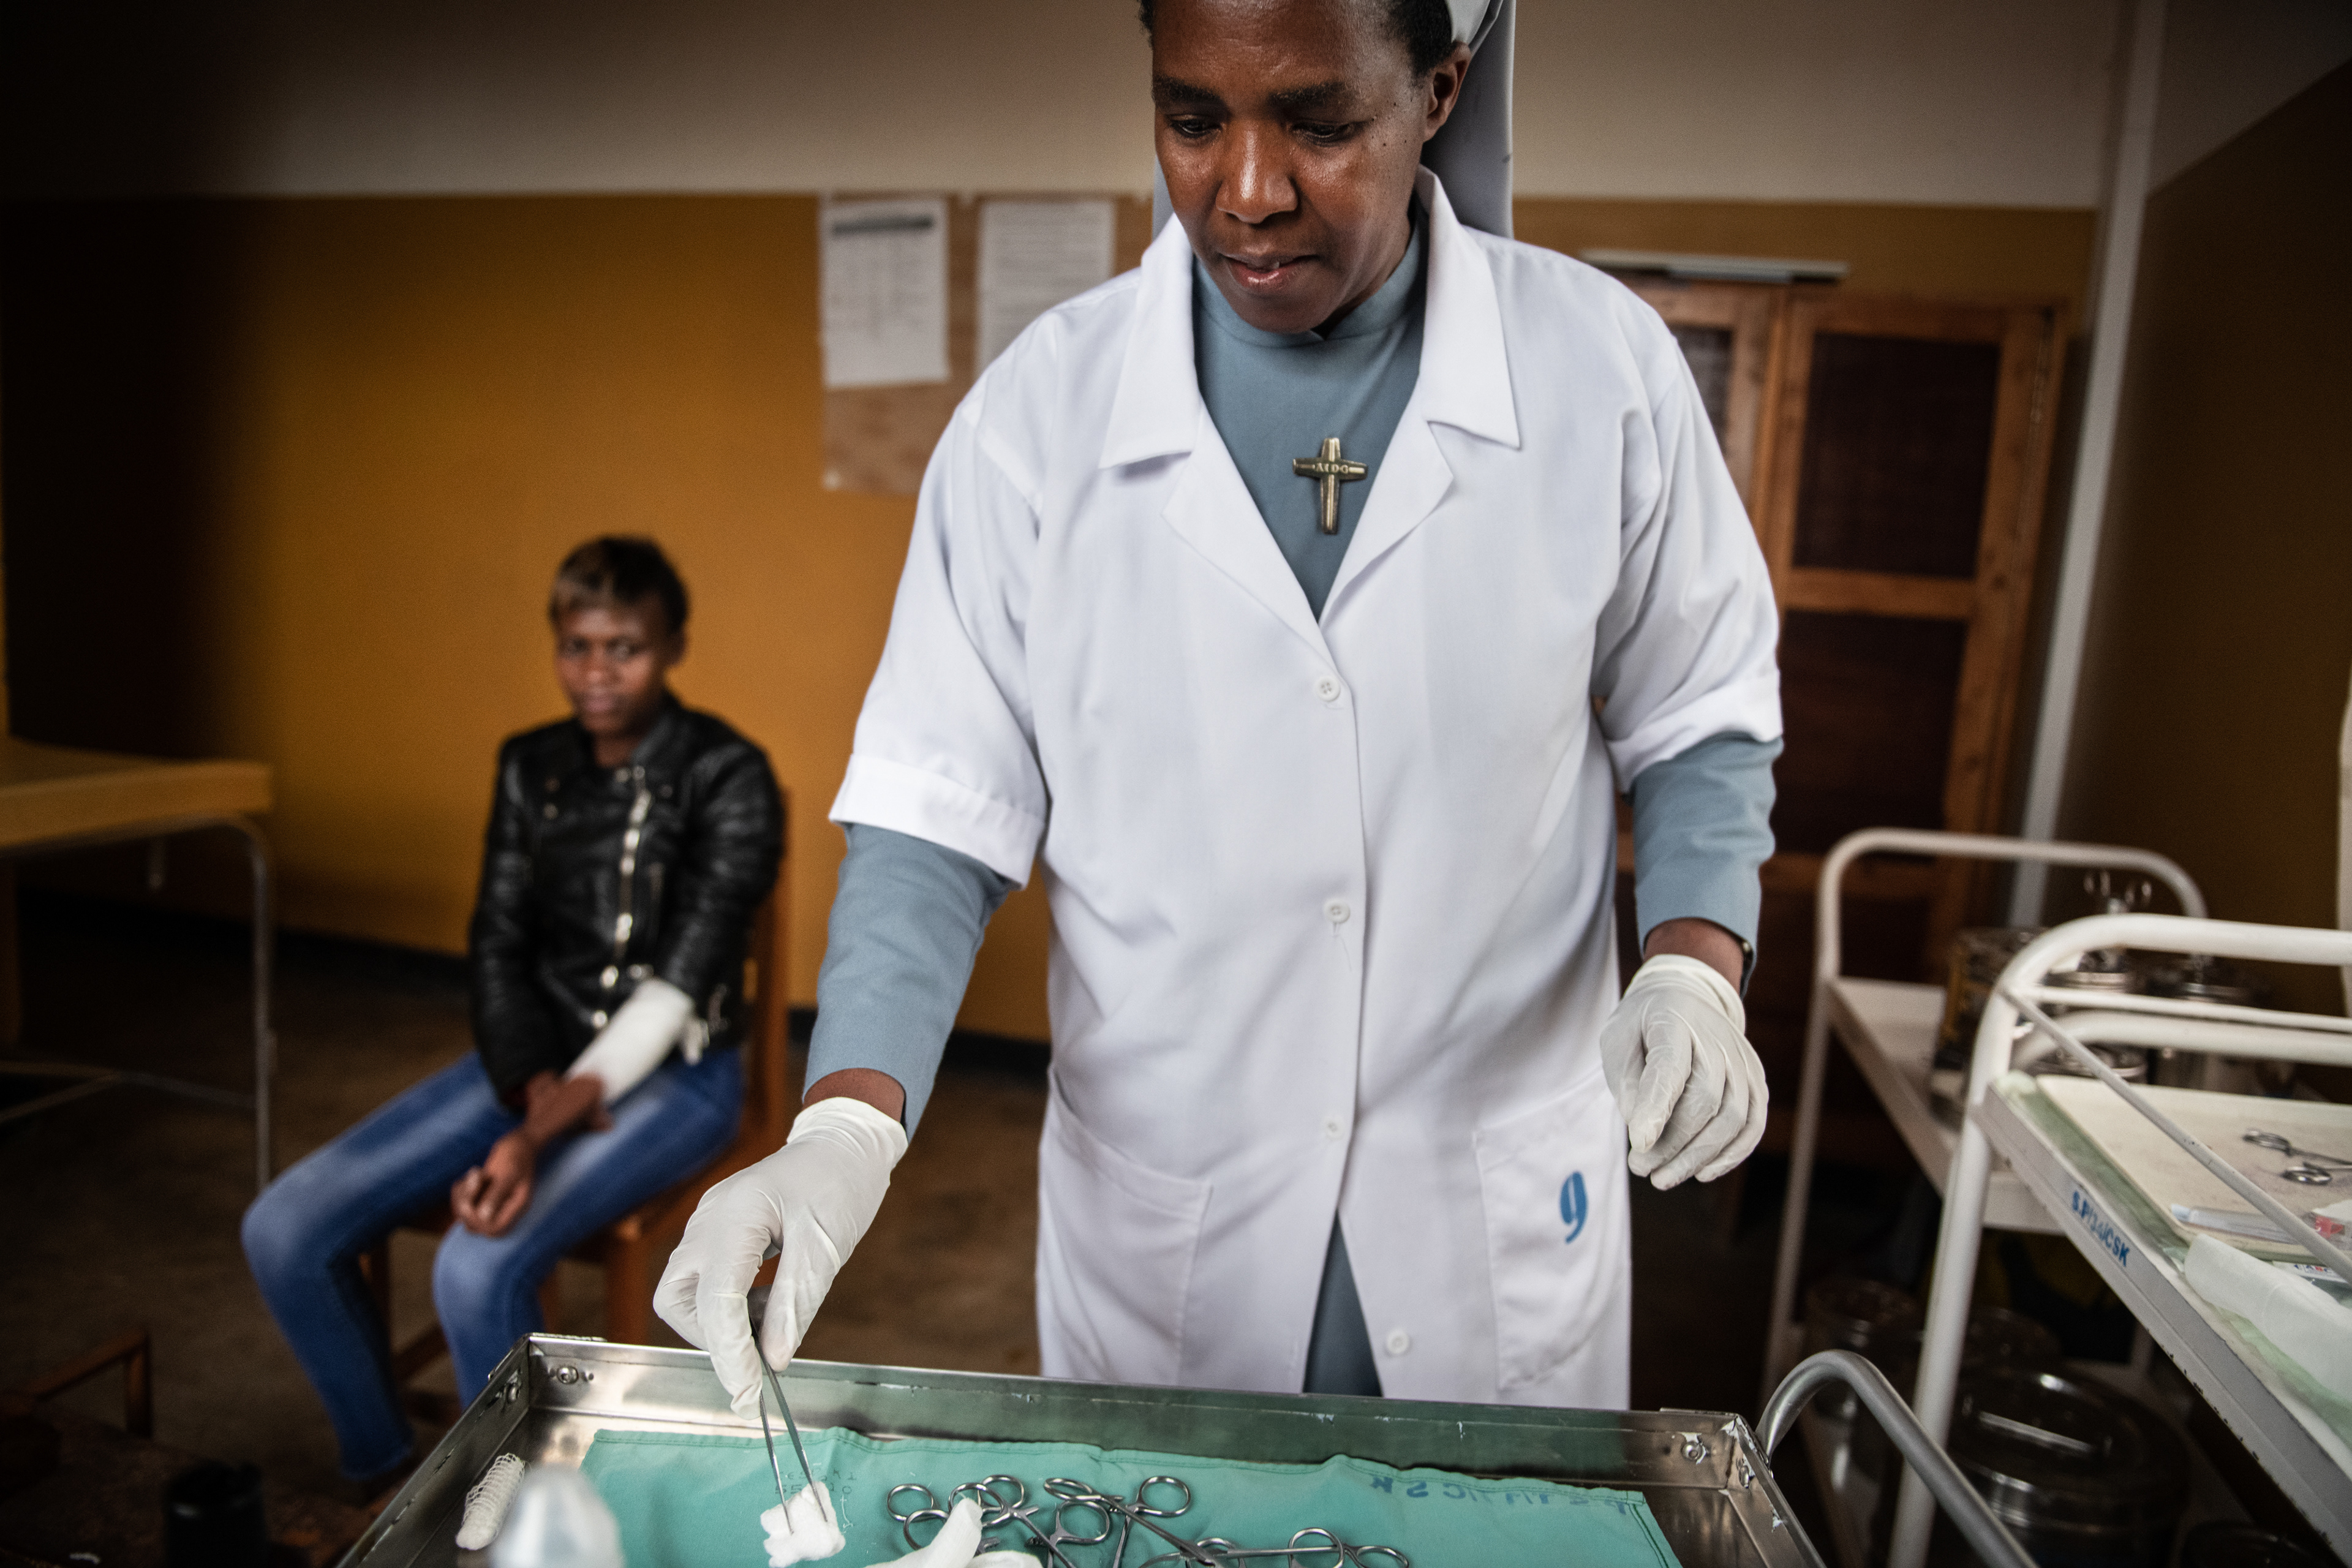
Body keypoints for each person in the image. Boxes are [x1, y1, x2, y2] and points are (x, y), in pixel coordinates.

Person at [659, 0, 1780, 1415]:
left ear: (1440, 91)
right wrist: (843, 1124)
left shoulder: (1598, 369)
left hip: (1491, 1207)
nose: (1247, 192)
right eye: (1193, 120)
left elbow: (1698, 714)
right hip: (1169, 1221)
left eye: (1320, 123)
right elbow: (936, 814)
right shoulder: (1037, 419)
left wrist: (1693, 964)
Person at [243, 537, 783, 1489]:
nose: (597, 672)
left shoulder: (730, 775)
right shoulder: (530, 765)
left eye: (625, 648)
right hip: (533, 1062)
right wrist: (531, 1085)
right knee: (283, 1229)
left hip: (681, 1078)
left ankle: (524, 1524)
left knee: (473, 1268)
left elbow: (673, 993)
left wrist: (538, 1132)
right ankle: (392, 1487)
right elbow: (497, 943)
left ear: (673, 648)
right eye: (577, 646)